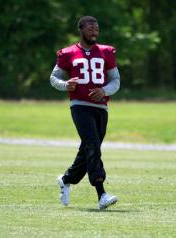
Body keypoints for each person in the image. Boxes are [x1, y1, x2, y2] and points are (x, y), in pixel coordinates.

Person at [50, 16, 120, 209]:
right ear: (80, 29)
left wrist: (104, 90)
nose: (94, 30)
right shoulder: (68, 53)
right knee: (92, 145)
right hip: (80, 106)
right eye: (90, 27)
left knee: (89, 149)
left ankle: (66, 179)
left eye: (97, 27)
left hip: (101, 108)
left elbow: (116, 81)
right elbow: (54, 77)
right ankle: (101, 193)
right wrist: (66, 85)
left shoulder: (106, 51)